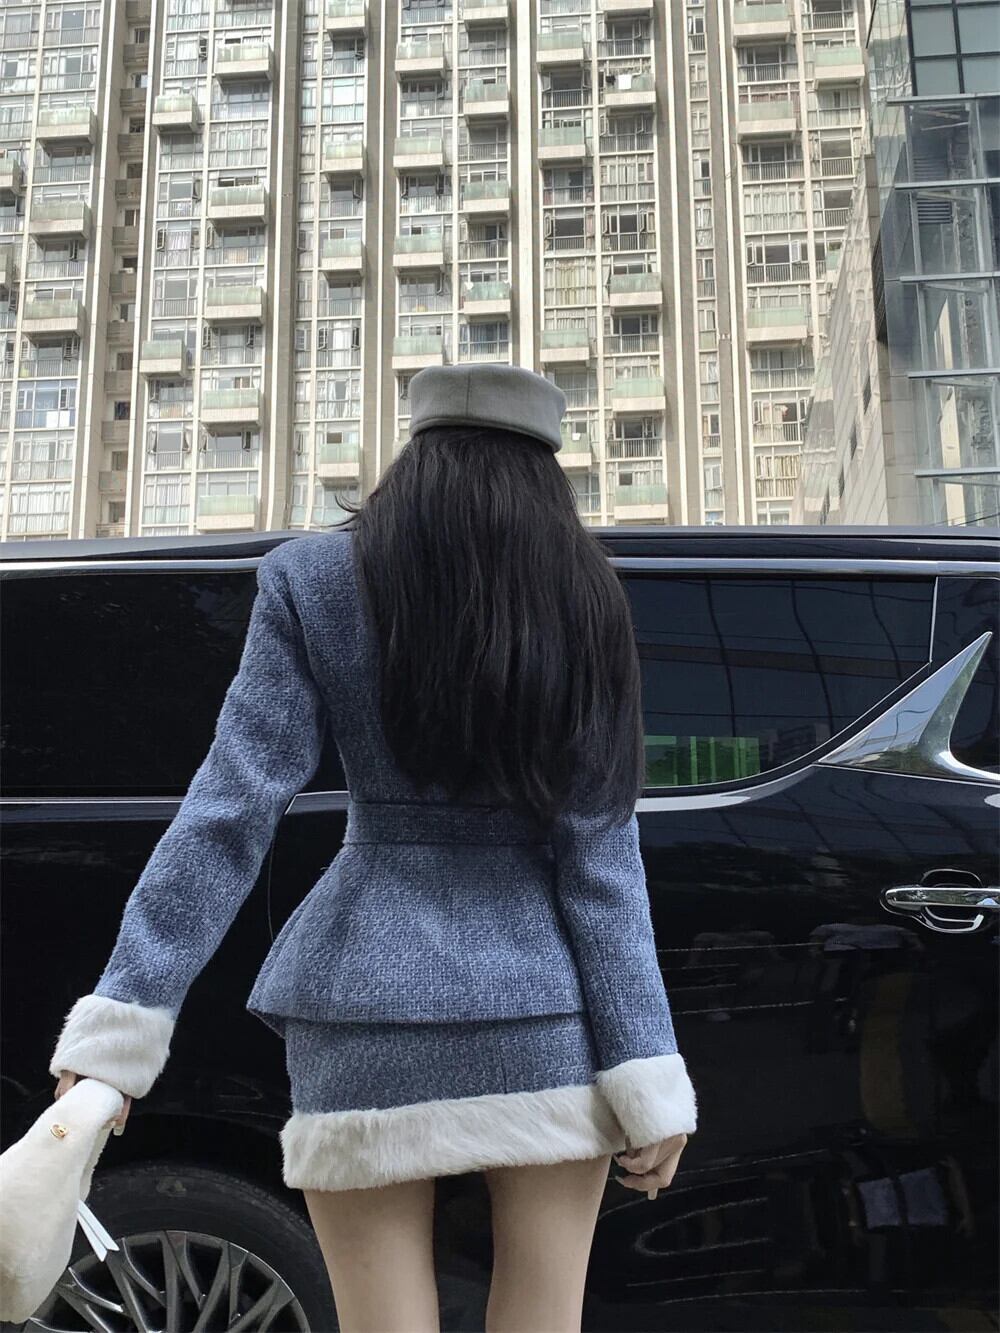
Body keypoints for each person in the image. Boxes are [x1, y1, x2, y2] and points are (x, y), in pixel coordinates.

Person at [50, 363, 698, 1333]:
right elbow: (600, 856)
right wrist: (646, 1066)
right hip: (541, 1005)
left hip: (359, 1006)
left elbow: (229, 811)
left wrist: (119, 1031)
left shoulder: (311, 581)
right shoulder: (584, 595)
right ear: (544, 471)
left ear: (415, 455)